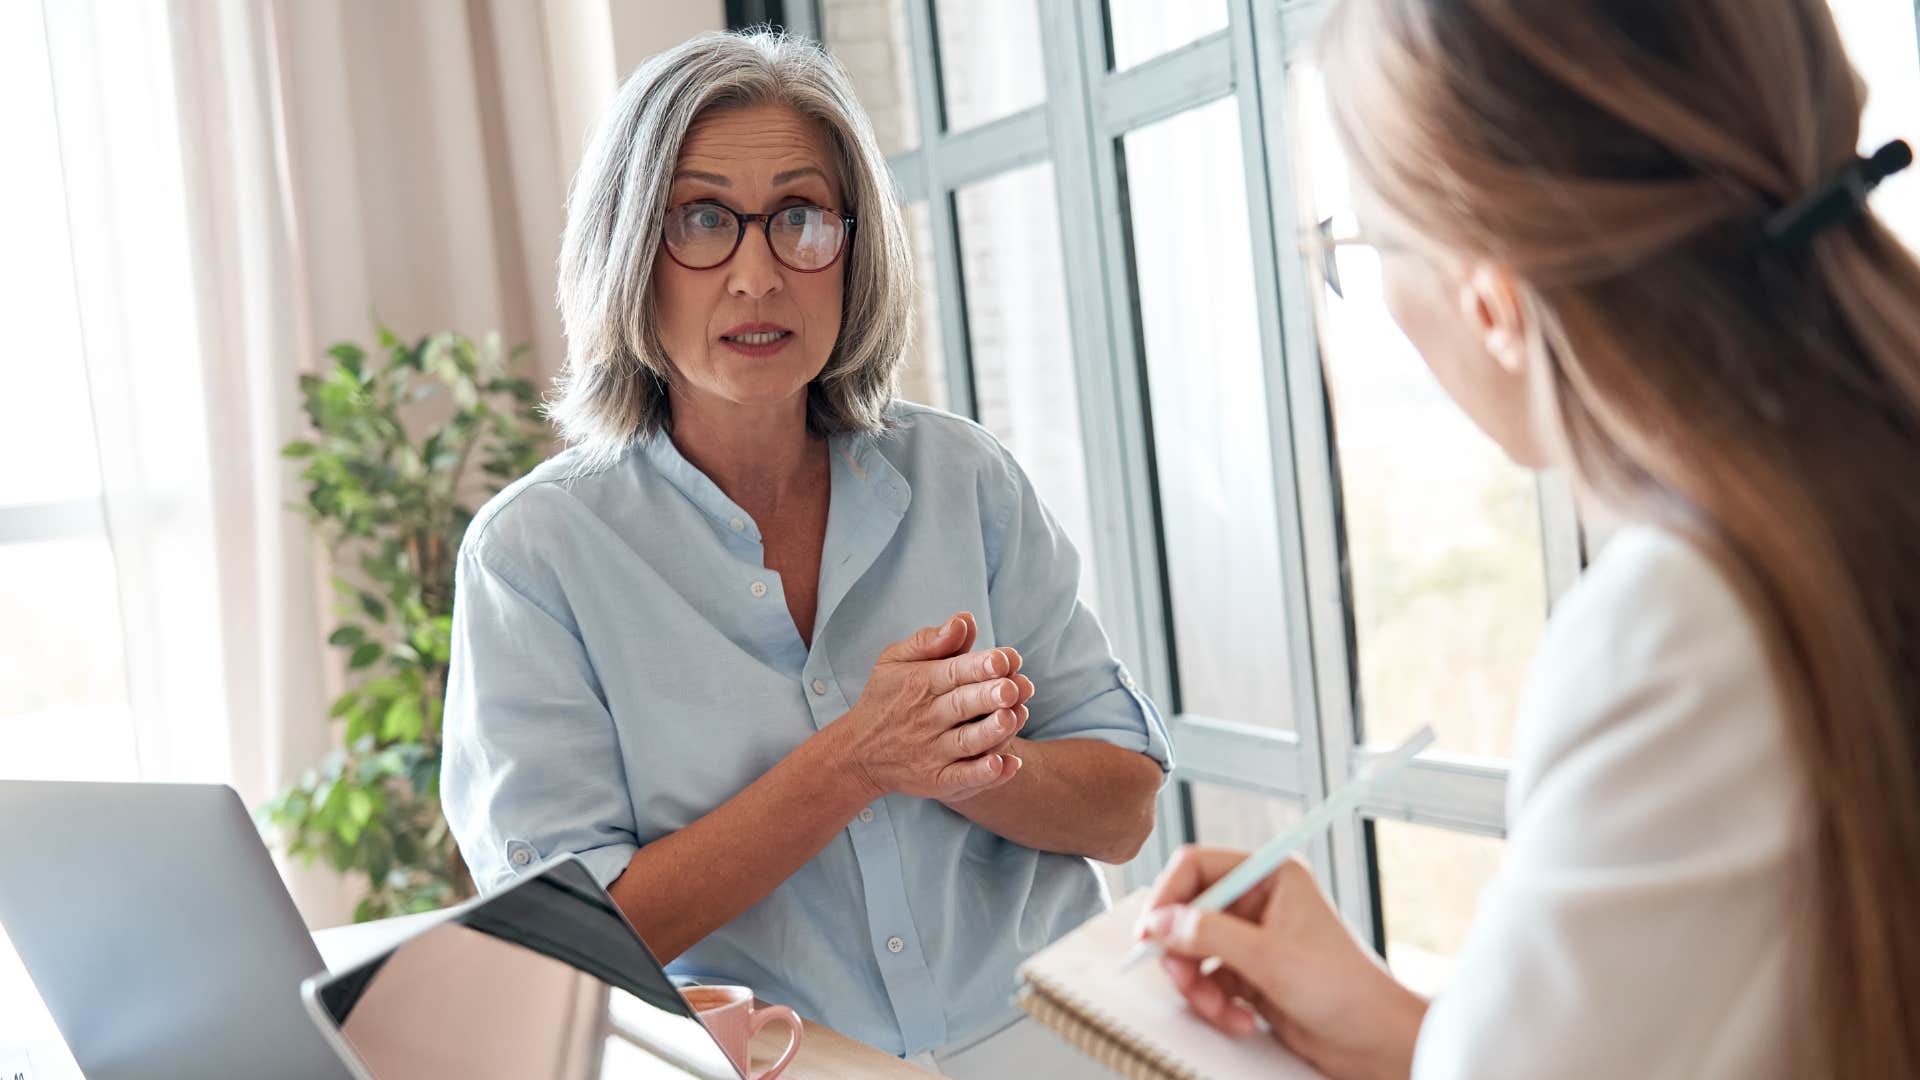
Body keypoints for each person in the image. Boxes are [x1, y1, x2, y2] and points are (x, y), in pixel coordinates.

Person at [1136, 2, 1920, 1077]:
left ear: (1493, 298)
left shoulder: (1681, 628)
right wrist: (1406, 1026)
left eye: (1357, 241)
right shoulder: (1849, 511)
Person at [438, 29, 1171, 1070]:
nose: (758, 275)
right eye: (701, 220)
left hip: (1054, 1042)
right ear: (629, 253)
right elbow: (573, 946)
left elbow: (1124, 806)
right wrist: (855, 762)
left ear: (851, 247)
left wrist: (960, 764)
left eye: (799, 219)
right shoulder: (533, 557)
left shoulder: (964, 480)